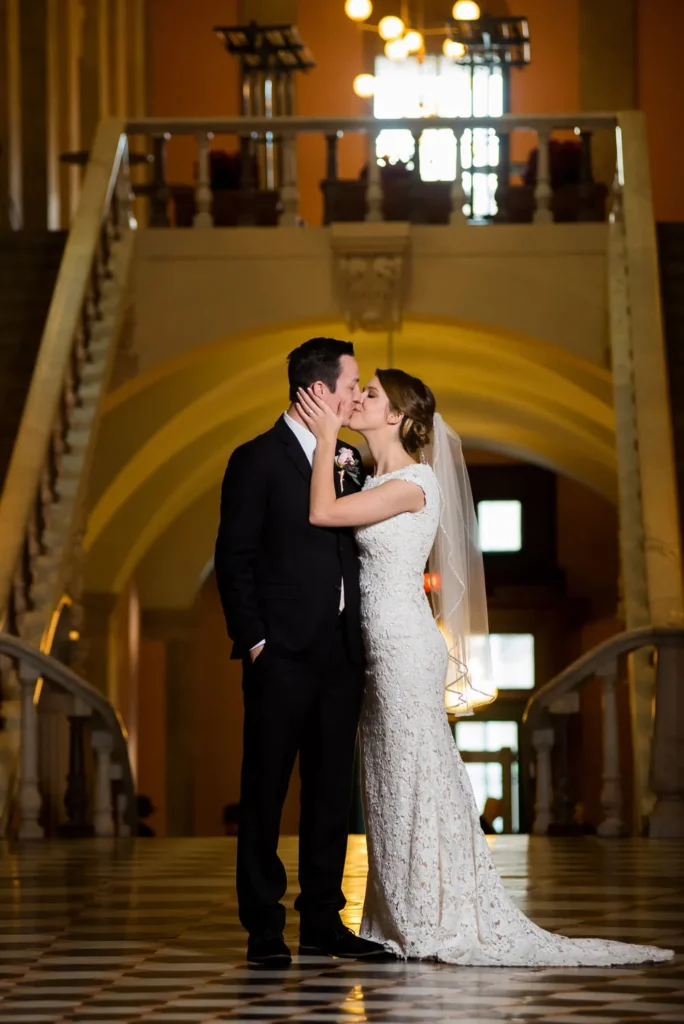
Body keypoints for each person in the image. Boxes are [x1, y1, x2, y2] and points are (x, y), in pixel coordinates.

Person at [295, 369, 673, 967]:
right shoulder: (377, 477)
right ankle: (397, 911)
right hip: (378, 644)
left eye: (369, 394)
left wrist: (319, 439)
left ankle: (432, 913)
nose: (356, 400)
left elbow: (322, 513)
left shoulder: (414, 484)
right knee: (390, 777)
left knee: (414, 770)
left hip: (402, 643)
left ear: (395, 417)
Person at [214, 337, 386, 966]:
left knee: (331, 793)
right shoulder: (255, 459)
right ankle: (263, 927)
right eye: (351, 385)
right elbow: (234, 560)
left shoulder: (348, 459)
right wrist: (256, 642)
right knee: (264, 790)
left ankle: (321, 918)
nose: (356, 394)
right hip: (280, 655)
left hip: (341, 656)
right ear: (317, 390)